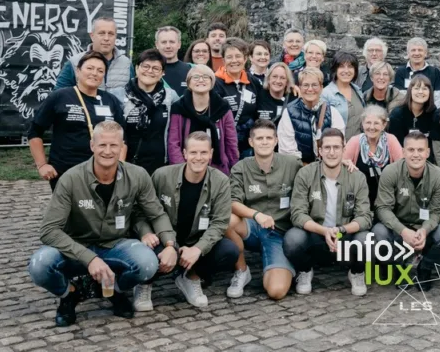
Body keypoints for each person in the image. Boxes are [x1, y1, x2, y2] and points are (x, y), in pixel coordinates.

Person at [27, 122, 173, 326]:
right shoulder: (70, 179)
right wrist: (90, 258)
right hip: (77, 246)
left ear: (122, 147)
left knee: (148, 263)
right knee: (39, 264)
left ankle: (113, 290)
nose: (108, 151)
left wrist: (170, 245)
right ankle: (70, 293)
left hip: (116, 244)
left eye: (114, 145)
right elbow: (49, 230)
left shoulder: (138, 175)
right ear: (92, 145)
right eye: (102, 145)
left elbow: (156, 214)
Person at [131, 131, 238, 311]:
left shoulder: (220, 181)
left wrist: (198, 249)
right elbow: (140, 210)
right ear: (184, 153)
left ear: (211, 153)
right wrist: (146, 233)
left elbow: (219, 223)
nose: (198, 157)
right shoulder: (162, 175)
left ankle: (189, 276)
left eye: (203, 152)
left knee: (229, 251)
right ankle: (144, 283)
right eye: (193, 152)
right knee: (149, 254)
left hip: (195, 240)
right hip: (164, 240)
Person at [284, 127, 373, 297]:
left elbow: (365, 217)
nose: (332, 152)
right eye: (327, 148)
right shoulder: (305, 174)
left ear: (344, 150)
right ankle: (305, 270)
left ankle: (356, 272)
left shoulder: (357, 177)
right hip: (316, 235)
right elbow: (297, 213)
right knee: (293, 239)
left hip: (344, 235)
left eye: (336, 147)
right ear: (320, 151)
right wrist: (324, 231)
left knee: (367, 239)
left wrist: (340, 230)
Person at [225, 120, 303, 300]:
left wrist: (345, 161)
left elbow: (316, 172)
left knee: (276, 291)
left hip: (280, 234)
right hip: (253, 227)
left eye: (269, 138)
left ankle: (286, 265)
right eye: (259, 138)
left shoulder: (292, 164)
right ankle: (242, 271)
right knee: (227, 220)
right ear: (251, 142)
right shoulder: (241, 167)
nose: (264, 142)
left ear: (276, 140)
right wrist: (256, 215)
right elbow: (232, 202)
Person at [29, 51, 126, 189]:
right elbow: (35, 131)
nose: (94, 73)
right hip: (66, 171)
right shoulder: (60, 97)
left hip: (103, 172)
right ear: (78, 71)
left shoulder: (110, 100)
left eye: (100, 70)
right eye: (90, 68)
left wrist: (119, 166)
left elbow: (123, 137)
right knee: (70, 210)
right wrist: (42, 165)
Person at [373, 130, 440, 289]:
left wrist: (424, 230)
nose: (416, 154)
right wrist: (403, 231)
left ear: (428, 152)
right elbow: (382, 208)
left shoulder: (439, 177)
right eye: (411, 150)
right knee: (378, 233)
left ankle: (426, 266)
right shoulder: (390, 172)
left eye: (420, 150)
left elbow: (437, 212)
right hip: (397, 226)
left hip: (425, 227)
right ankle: (399, 268)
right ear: (403, 152)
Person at [110, 49, 180, 176]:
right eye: (145, 66)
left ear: (162, 73)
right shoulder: (118, 95)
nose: (149, 71)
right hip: (126, 165)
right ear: (136, 68)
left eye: (155, 68)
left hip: (159, 166)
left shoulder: (170, 97)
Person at [168, 65, 239, 175]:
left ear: (212, 82)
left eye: (206, 77)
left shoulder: (222, 107)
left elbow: (231, 141)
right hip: (186, 168)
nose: (201, 80)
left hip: (217, 170)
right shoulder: (179, 108)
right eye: (196, 77)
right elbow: (173, 143)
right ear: (188, 83)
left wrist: (234, 169)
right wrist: (181, 170)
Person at [278, 68, 346, 164]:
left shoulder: (332, 112)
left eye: (314, 85)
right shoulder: (289, 112)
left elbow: (339, 145)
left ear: (321, 87)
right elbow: (287, 151)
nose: (310, 89)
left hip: (326, 167)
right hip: (298, 169)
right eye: (306, 85)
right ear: (300, 87)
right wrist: (309, 170)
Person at [343, 105, 404, 207]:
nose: (371, 127)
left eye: (376, 123)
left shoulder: (391, 140)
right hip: (360, 199)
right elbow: (341, 165)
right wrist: (345, 163)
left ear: (384, 125)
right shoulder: (355, 141)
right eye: (368, 123)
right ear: (362, 124)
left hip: (387, 199)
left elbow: (402, 167)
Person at [54, 17, 131, 90]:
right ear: (92, 36)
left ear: (115, 36)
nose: (106, 38)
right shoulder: (74, 62)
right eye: (101, 33)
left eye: (111, 34)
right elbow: (58, 96)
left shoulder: (126, 64)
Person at [212, 38, 260, 155]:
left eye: (238, 56)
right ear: (223, 60)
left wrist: (291, 87)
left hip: (248, 145)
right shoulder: (214, 83)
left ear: (245, 58)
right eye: (229, 57)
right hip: (223, 143)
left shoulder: (253, 81)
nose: (234, 60)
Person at [322, 51, 366, 140]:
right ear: (335, 70)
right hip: (338, 147)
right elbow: (322, 127)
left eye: (350, 67)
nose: (346, 71)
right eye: (341, 66)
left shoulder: (358, 90)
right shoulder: (326, 94)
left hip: (359, 146)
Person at [388, 74, 440, 145]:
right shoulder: (397, 114)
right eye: (417, 88)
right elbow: (396, 144)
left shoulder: (433, 113)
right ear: (410, 91)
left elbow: (433, 143)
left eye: (425, 88)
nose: (420, 92)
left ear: (430, 92)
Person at [155, 26, 191, 94]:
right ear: (157, 45)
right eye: (164, 42)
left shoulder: (191, 70)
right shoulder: (149, 72)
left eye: (172, 42)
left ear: (179, 44)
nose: (168, 46)